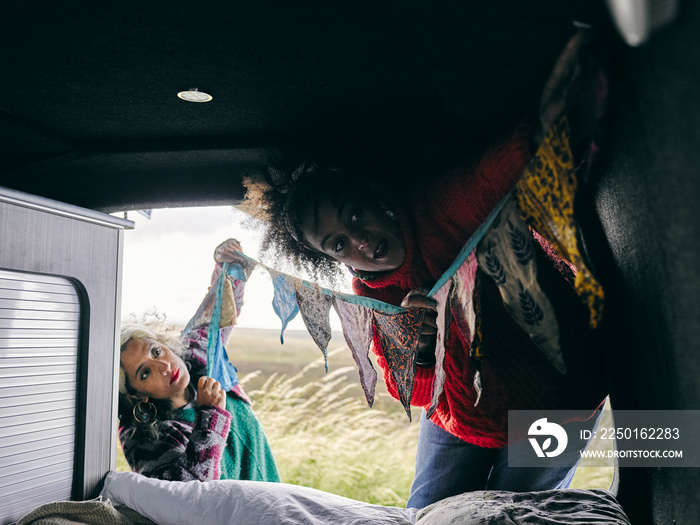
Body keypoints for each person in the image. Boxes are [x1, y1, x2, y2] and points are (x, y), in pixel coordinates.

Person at [239, 32, 609, 508]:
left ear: (374, 196)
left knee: (516, 516)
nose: (362, 241)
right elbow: (409, 391)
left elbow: (490, 175)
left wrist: (555, 111)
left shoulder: (437, 210)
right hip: (461, 414)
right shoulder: (369, 293)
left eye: (356, 215)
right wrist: (419, 343)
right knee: (426, 515)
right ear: (332, 259)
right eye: (340, 243)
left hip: (555, 398)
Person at [117, 239, 281, 484]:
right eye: (144, 373)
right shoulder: (143, 438)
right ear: (135, 395)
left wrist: (228, 263)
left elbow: (219, 309)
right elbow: (188, 495)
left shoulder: (196, 356)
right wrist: (209, 416)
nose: (164, 367)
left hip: (273, 496)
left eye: (156, 352)